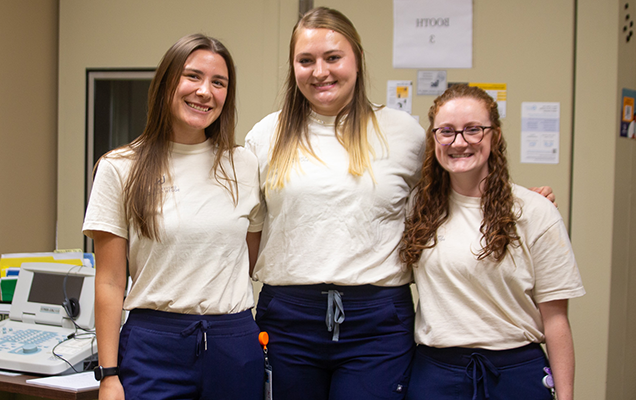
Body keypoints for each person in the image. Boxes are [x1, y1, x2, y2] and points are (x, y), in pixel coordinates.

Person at [244, 7, 555, 400]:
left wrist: (522, 203)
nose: (320, 71)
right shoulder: (265, 135)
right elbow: (244, 222)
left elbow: (451, 185)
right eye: (306, 60)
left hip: (376, 320)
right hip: (288, 318)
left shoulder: (401, 131)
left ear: (356, 60)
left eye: (333, 57)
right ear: (293, 67)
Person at [82, 34, 264, 400]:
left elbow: (249, 257)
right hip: (154, 347)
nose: (204, 91)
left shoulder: (244, 164)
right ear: (166, 82)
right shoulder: (120, 167)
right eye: (192, 76)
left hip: (234, 343)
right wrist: (109, 375)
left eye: (218, 82)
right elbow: (111, 282)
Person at [399, 84, 584, 400]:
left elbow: (556, 320)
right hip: (436, 374)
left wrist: (565, 396)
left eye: (473, 130)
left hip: (515, 373)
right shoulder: (417, 207)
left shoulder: (535, 212)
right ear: (433, 139)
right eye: (447, 131)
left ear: (495, 136)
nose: (459, 142)